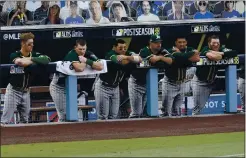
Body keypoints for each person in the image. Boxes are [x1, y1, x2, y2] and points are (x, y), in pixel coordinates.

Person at [1, 33, 50, 125]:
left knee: (25, 121)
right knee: (5, 121)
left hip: (26, 91)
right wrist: (34, 61)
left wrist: (30, 59)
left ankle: (22, 139)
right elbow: (20, 62)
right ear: (23, 43)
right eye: (29, 44)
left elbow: (47, 59)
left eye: (32, 43)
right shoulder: (14, 54)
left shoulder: (34, 54)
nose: (32, 45)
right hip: (13, 91)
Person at [50, 39, 103, 122]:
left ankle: (71, 133)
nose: (82, 51)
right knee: (64, 115)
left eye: (84, 49)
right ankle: (61, 134)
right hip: (59, 87)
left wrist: (86, 60)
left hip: (70, 86)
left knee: (73, 114)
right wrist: (88, 63)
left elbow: (100, 66)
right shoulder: (72, 54)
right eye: (80, 49)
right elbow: (80, 68)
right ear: (75, 48)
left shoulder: (88, 53)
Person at [94, 39, 142, 120]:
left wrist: (126, 57)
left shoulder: (127, 53)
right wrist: (131, 59)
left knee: (114, 116)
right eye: (120, 48)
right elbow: (119, 62)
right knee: (103, 117)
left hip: (115, 87)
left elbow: (140, 59)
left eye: (124, 48)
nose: (123, 50)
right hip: (103, 86)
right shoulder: (110, 54)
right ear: (114, 47)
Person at [192, 35, 238, 115]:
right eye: (213, 43)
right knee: (198, 107)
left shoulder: (221, 49)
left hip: (212, 81)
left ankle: (230, 109)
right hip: (200, 82)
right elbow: (211, 56)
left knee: (232, 85)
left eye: (217, 43)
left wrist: (221, 53)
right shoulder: (205, 49)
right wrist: (223, 55)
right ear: (209, 44)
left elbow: (234, 52)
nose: (216, 45)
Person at [129, 35, 173, 118]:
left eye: (160, 42)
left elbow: (170, 61)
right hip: (137, 83)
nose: (158, 44)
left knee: (146, 111)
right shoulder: (144, 50)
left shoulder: (162, 51)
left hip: (149, 84)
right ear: (150, 43)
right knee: (136, 113)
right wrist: (162, 61)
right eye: (156, 42)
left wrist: (160, 57)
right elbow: (153, 60)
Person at [162, 36, 200, 117]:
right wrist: (186, 58)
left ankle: (176, 129)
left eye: (183, 42)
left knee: (177, 110)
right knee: (166, 111)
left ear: (186, 42)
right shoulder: (169, 50)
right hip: (170, 83)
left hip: (182, 83)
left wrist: (181, 56)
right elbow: (179, 57)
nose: (182, 44)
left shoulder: (189, 49)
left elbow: (197, 58)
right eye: (179, 42)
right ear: (175, 43)